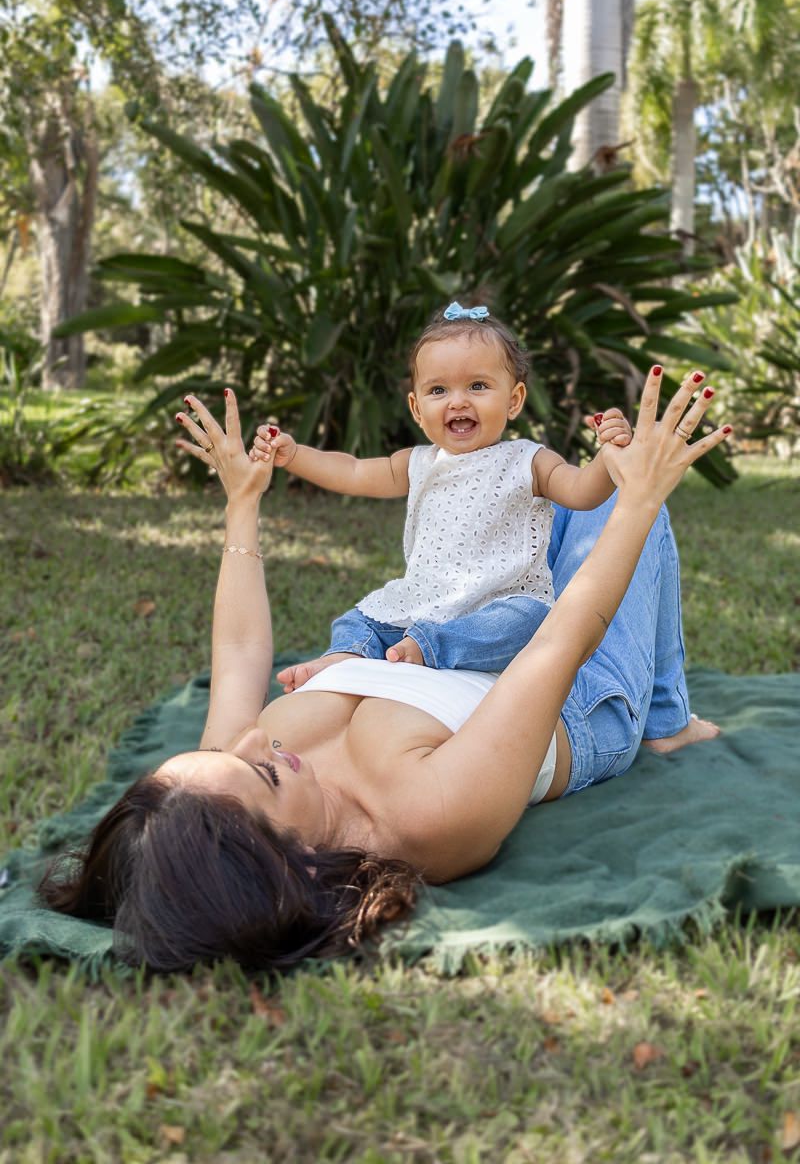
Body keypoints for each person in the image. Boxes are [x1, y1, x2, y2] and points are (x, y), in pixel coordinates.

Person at [39, 369, 729, 973]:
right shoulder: (425, 818)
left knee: (533, 501)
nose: (253, 740)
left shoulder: (226, 782)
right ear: (286, 861)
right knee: (618, 496)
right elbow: (562, 644)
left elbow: (242, 655)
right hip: (575, 696)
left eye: (216, 753)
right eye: (263, 772)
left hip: (458, 638)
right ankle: (663, 719)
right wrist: (638, 500)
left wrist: (242, 502)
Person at [248, 301, 633, 687]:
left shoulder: (528, 460)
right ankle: (346, 655)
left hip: (500, 606)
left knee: (530, 622)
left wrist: (606, 456)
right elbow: (353, 471)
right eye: (438, 389)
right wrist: (295, 455)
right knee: (359, 619)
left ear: (514, 400)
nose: (458, 401)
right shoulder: (417, 463)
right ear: (417, 408)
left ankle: (428, 649)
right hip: (426, 603)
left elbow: (583, 493)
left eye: (478, 386)